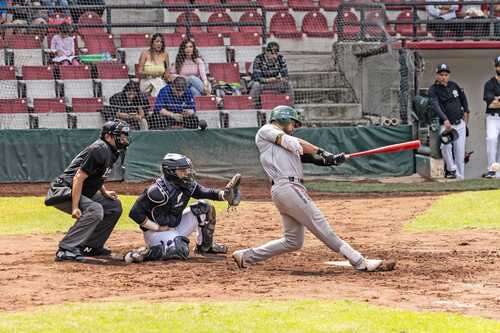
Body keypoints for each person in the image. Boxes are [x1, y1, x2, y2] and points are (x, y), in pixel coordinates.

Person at [231, 105, 396, 272]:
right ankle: (359, 261)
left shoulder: (282, 146)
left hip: (286, 189)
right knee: (320, 225)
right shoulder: (267, 131)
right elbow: (297, 144)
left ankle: (247, 256)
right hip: (288, 187)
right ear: (283, 118)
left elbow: (309, 157)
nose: (294, 127)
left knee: (293, 241)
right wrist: (323, 152)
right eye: (293, 123)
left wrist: (331, 160)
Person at [124, 153, 240, 263]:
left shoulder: (186, 184)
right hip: (155, 233)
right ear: (171, 172)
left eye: (187, 170)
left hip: (175, 226)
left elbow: (203, 192)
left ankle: (205, 246)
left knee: (205, 207)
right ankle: (144, 253)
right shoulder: (157, 191)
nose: (187, 173)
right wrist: (158, 227)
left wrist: (224, 195)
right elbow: (135, 213)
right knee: (180, 250)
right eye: (182, 171)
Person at [44, 121, 130, 261]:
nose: (124, 138)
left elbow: (97, 176)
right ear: (108, 136)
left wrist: (104, 192)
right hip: (64, 190)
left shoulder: (113, 152)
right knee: (95, 210)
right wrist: (75, 207)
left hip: (78, 191)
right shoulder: (99, 149)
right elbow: (79, 177)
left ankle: (90, 246)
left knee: (113, 206)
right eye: (120, 135)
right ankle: (66, 249)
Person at [428, 64, 469, 180]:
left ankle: (461, 177)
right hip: (446, 125)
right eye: (441, 75)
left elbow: (464, 101)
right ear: (437, 75)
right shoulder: (433, 89)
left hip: (459, 123)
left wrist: (466, 122)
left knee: (460, 152)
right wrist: (445, 119)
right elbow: (435, 105)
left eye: (446, 75)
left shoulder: (454, 85)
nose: (444, 77)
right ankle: (452, 169)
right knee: (445, 147)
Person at [249, 42, 293, 108]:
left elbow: (285, 75)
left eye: (276, 53)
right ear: (267, 52)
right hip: (262, 83)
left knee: (289, 84)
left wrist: (281, 79)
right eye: (272, 53)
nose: (274, 56)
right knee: (256, 85)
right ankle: (251, 108)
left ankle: (290, 107)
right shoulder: (259, 59)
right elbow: (257, 77)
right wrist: (268, 80)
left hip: (274, 83)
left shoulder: (281, 59)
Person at [483, 56, 500, 178]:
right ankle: (492, 169)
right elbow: (491, 104)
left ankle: (498, 171)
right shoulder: (489, 83)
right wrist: (494, 101)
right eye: (499, 65)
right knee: (492, 139)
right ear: (495, 67)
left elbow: (496, 102)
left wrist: (497, 99)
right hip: (493, 117)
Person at [138, 33, 169, 97]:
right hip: (146, 81)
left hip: (160, 81)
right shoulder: (145, 54)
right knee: (160, 85)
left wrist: (166, 76)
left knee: (159, 83)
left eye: (161, 42)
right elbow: (139, 72)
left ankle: (155, 101)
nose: (159, 44)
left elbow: (167, 71)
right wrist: (150, 74)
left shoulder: (165, 54)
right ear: (152, 43)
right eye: (157, 41)